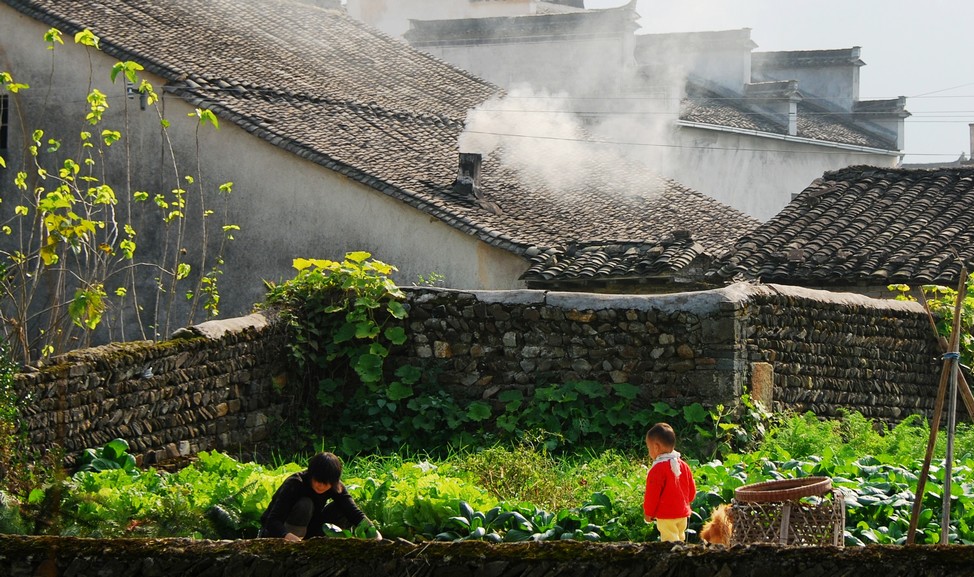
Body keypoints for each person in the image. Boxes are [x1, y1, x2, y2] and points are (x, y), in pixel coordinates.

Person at [259, 451, 382, 541]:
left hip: (310, 531)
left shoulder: (336, 487)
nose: (321, 486)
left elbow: (354, 513)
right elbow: (272, 521)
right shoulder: (295, 484)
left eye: (326, 483)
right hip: (280, 534)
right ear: (311, 475)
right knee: (305, 504)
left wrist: (375, 534)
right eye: (318, 481)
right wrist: (293, 540)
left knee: (341, 508)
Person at [643, 422, 696, 542]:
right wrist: (685, 503)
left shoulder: (657, 469)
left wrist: (649, 512)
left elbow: (652, 495)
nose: (649, 451)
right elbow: (691, 491)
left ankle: (673, 560)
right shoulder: (683, 465)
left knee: (669, 541)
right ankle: (681, 557)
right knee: (680, 538)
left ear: (656, 447)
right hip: (682, 514)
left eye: (649, 448)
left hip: (666, 515)